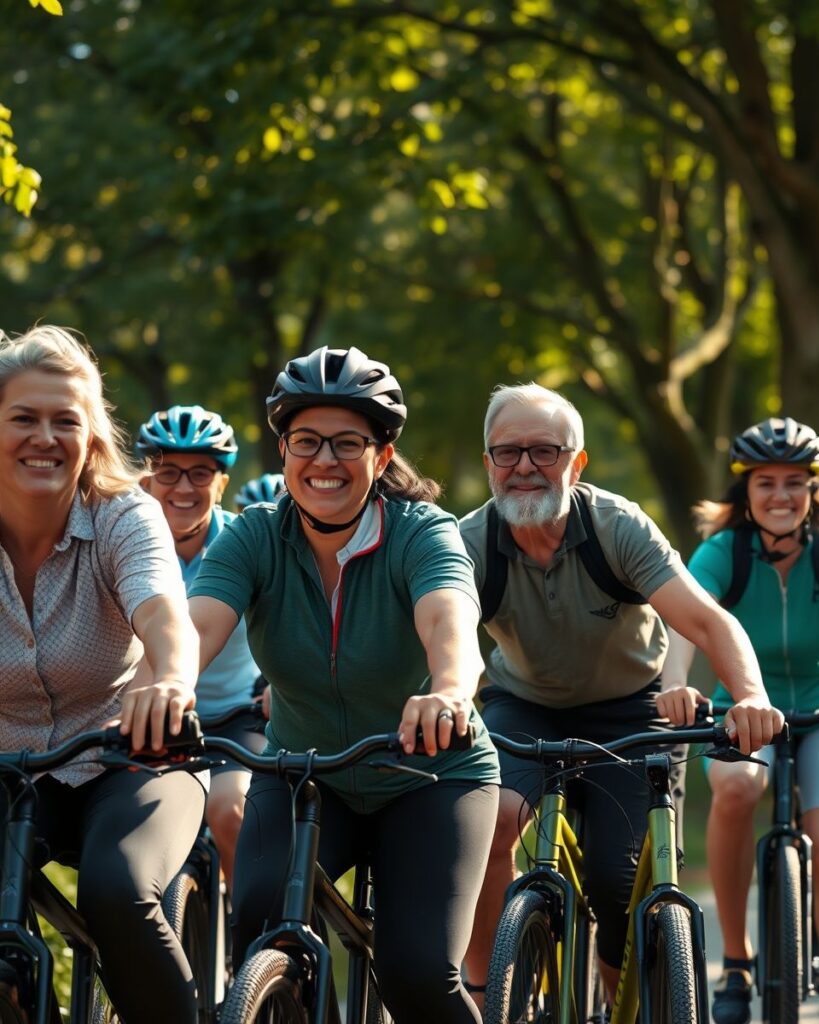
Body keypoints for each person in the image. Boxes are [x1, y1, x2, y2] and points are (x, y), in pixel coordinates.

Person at [184, 345, 501, 1024]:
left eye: (347, 443)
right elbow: (196, 627)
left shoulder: (422, 532)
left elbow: (451, 620)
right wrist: (165, 685)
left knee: (416, 972)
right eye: (306, 441)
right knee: (263, 925)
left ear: (382, 458)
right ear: (282, 451)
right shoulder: (252, 540)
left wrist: (449, 689)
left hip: (429, 773)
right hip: (302, 772)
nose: (324, 459)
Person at [460, 383, 783, 1003]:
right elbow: (431, 635)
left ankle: (618, 1000)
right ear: (488, 465)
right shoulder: (469, 544)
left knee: (620, 879)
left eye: (545, 451)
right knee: (493, 822)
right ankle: (480, 993)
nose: (525, 467)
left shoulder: (617, 527)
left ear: (576, 464)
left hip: (629, 711)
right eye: (508, 453)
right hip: (522, 705)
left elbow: (711, 621)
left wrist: (749, 697)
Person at [0, 325, 203, 1023]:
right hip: (9, 767)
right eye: (23, 418)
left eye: (66, 421)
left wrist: (169, 680)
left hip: (129, 757)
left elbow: (165, 616)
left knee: (116, 893)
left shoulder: (124, 514)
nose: (44, 438)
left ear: (91, 437)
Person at [672, 417, 819, 1024]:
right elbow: (685, 621)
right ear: (745, 492)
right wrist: (678, 687)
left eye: (795, 482)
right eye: (766, 483)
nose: (781, 496)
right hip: (743, 705)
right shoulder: (722, 553)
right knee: (735, 788)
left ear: (814, 490)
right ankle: (736, 961)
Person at [137, 404, 265, 890]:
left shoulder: (244, 540)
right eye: (168, 472)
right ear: (147, 478)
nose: (184, 488)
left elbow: (285, 617)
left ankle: (249, 944)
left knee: (228, 809)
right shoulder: (124, 540)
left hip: (237, 715)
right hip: (153, 716)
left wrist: (274, 684)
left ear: (222, 482)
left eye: (200, 473)